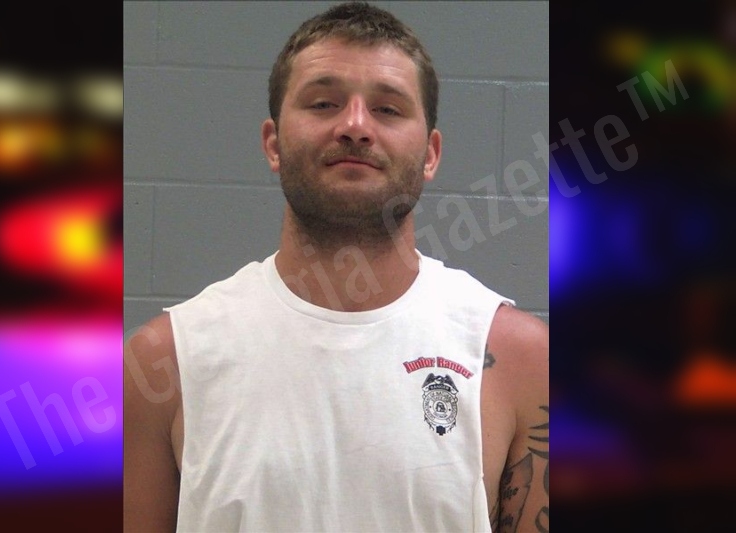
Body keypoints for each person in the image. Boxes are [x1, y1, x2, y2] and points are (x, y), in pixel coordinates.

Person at [124, 2, 548, 532]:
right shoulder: (166, 363)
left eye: (388, 109)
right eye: (324, 103)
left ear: (430, 154)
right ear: (273, 144)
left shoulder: (519, 360)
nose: (355, 126)